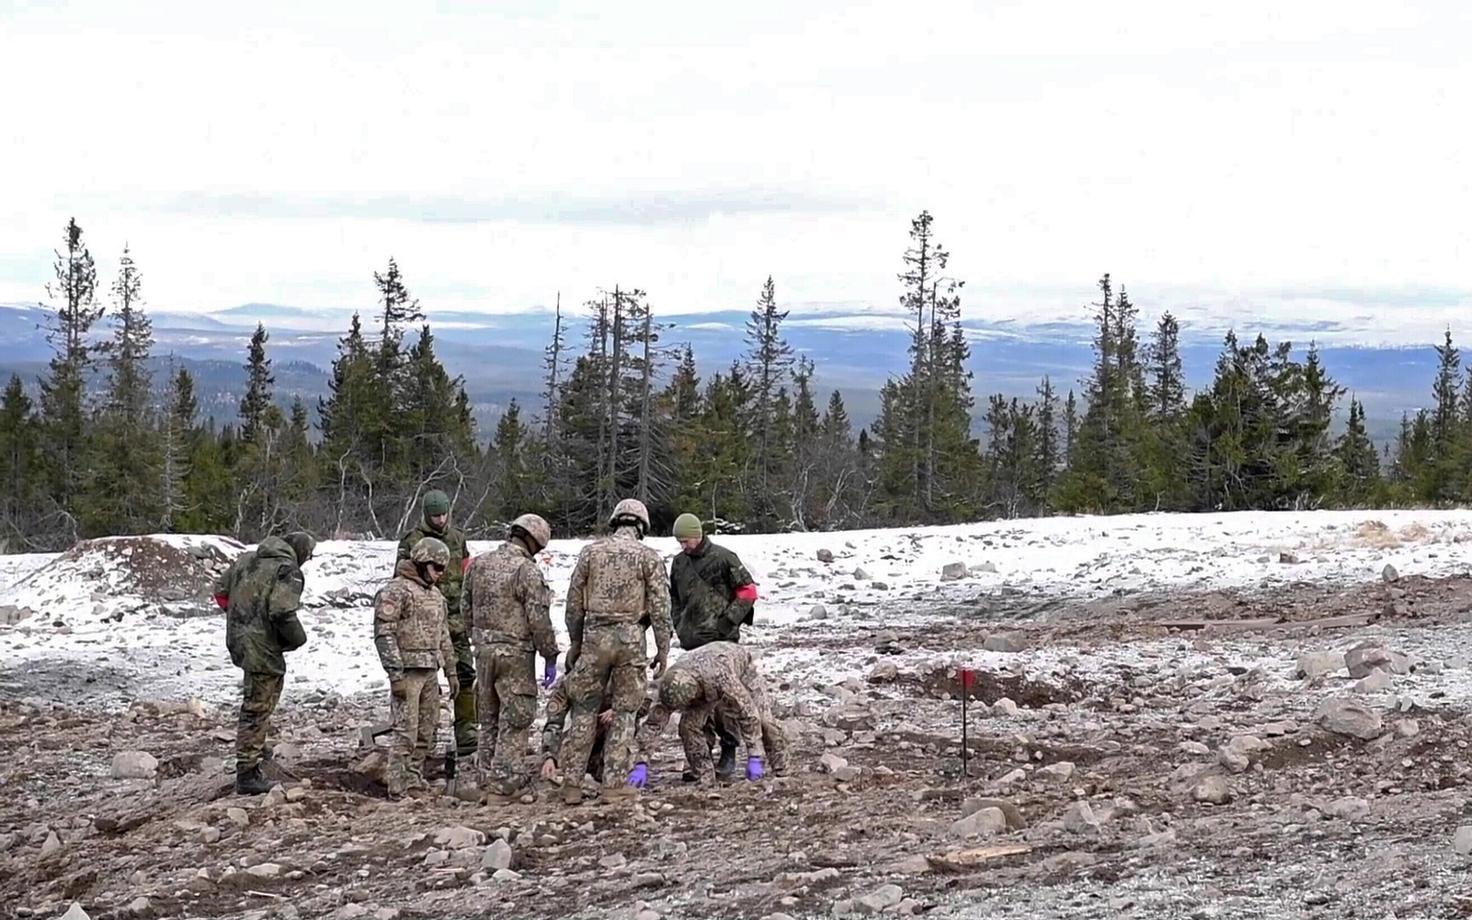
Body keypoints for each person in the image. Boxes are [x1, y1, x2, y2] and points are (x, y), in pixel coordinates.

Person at [557, 498, 672, 802]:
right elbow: (661, 609)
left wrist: (576, 642)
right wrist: (662, 649)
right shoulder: (648, 557)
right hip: (630, 640)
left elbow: (573, 604)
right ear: (641, 526)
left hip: (594, 637)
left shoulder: (590, 552)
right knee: (624, 712)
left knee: (584, 709)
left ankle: (572, 784)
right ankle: (613, 783)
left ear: (615, 521)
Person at [462, 513, 558, 796]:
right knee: (516, 716)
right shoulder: (526, 571)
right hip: (515, 654)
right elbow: (538, 619)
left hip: (483, 651)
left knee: (488, 717)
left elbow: (465, 608)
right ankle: (506, 782)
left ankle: (485, 777)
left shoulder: (478, 564)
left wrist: (479, 639)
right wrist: (549, 654)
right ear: (534, 542)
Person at [216, 531, 316, 795]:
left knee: (258, 695)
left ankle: (257, 748)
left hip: (239, 639)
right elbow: (282, 611)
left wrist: (242, 616)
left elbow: (220, 593)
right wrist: (297, 639)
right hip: (263, 646)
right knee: (258, 705)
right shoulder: (288, 571)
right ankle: (247, 772)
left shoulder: (246, 560)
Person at [668, 512, 758, 779]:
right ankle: (701, 757)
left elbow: (748, 592)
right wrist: (678, 623)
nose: (683, 545)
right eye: (679, 541)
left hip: (721, 644)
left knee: (724, 703)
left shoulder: (724, 558)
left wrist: (727, 622)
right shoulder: (679, 564)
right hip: (692, 644)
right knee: (695, 703)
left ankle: (729, 750)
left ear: (698, 535)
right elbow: (674, 598)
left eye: (686, 540)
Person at [630, 641, 788, 788]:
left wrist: (755, 756)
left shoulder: (721, 678)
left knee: (764, 721)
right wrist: (641, 763)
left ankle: (781, 769)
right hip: (700, 682)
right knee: (688, 726)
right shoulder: (670, 687)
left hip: (738, 670)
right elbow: (653, 725)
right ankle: (704, 775)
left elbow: (748, 714)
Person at [397, 489, 475, 772]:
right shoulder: (412, 540)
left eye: (444, 515)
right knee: (421, 681)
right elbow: (401, 578)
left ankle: (466, 731)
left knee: (465, 673)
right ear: (426, 515)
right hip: (425, 622)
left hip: (456, 619)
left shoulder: (458, 538)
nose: (440, 520)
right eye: (435, 516)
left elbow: (466, 573)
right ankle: (420, 740)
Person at [374, 537, 458, 797]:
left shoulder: (436, 596)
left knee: (427, 729)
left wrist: (451, 671)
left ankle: (413, 779)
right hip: (407, 671)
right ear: (422, 563)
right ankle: (398, 787)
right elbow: (384, 634)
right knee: (405, 731)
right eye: (437, 568)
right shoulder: (396, 591)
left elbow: (443, 635)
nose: (440, 574)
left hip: (430, 669)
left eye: (443, 569)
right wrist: (395, 674)